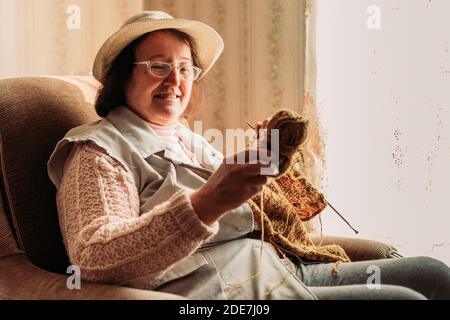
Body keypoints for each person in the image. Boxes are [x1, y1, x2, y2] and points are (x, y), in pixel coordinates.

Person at [47, 11, 450, 300]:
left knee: (432, 274)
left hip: (277, 267)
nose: (175, 81)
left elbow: (273, 213)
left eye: (186, 69)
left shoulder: (188, 140)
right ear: (122, 76)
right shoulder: (97, 150)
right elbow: (93, 256)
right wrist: (207, 202)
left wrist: (271, 163)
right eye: (158, 66)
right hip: (228, 289)